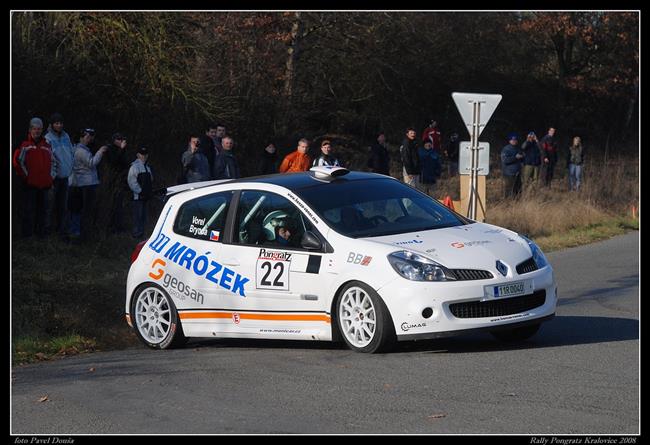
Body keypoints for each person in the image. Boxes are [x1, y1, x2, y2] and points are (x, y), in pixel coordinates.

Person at [13, 117, 54, 238]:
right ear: (30, 129)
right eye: (35, 129)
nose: (37, 131)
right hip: (30, 184)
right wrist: (27, 177)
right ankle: (27, 236)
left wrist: (50, 178)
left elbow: (54, 163)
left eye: (39, 129)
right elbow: (17, 162)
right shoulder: (24, 144)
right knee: (28, 211)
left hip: (44, 185)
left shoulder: (46, 145)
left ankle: (40, 236)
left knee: (43, 211)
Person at [68, 128, 107, 241]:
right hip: (85, 184)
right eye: (87, 136)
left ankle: (81, 232)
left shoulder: (83, 149)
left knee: (81, 210)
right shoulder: (80, 150)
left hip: (83, 184)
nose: (89, 139)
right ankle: (78, 233)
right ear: (81, 137)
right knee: (83, 210)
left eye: (91, 137)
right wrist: (100, 152)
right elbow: (92, 162)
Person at [45, 112, 74, 238]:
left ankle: (62, 231)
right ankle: (47, 231)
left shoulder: (66, 136)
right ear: (52, 125)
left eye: (61, 123)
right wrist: (52, 175)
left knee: (64, 206)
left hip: (66, 176)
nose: (59, 125)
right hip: (54, 177)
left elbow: (71, 153)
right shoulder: (48, 138)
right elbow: (49, 159)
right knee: (50, 205)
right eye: (57, 123)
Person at [103, 132, 131, 234]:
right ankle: (111, 227)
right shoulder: (111, 149)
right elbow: (114, 161)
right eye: (119, 140)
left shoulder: (121, 150)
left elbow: (125, 163)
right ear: (114, 140)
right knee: (113, 205)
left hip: (121, 180)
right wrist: (122, 149)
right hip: (113, 180)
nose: (121, 142)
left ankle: (118, 226)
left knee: (119, 205)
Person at [127, 147, 154, 239]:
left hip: (146, 196)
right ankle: (136, 234)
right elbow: (131, 182)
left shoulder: (147, 167)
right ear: (138, 155)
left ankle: (142, 234)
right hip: (138, 196)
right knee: (137, 216)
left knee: (144, 216)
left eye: (146, 154)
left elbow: (151, 180)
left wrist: (149, 192)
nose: (144, 156)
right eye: (142, 154)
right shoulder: (134, 167)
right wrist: (140, 191)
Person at [501, 133, 524, 199]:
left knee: (518, 190)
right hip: (509, 173)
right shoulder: (506, 149)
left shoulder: (518, 148)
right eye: (512, 140)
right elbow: (505, 160)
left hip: (517, 173)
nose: (514, 141)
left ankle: (517, 204)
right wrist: (515, 157)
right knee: (509, 190)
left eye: (515, 140)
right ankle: (508, 204)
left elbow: (521, 159)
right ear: (509, 141)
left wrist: (522, 157)